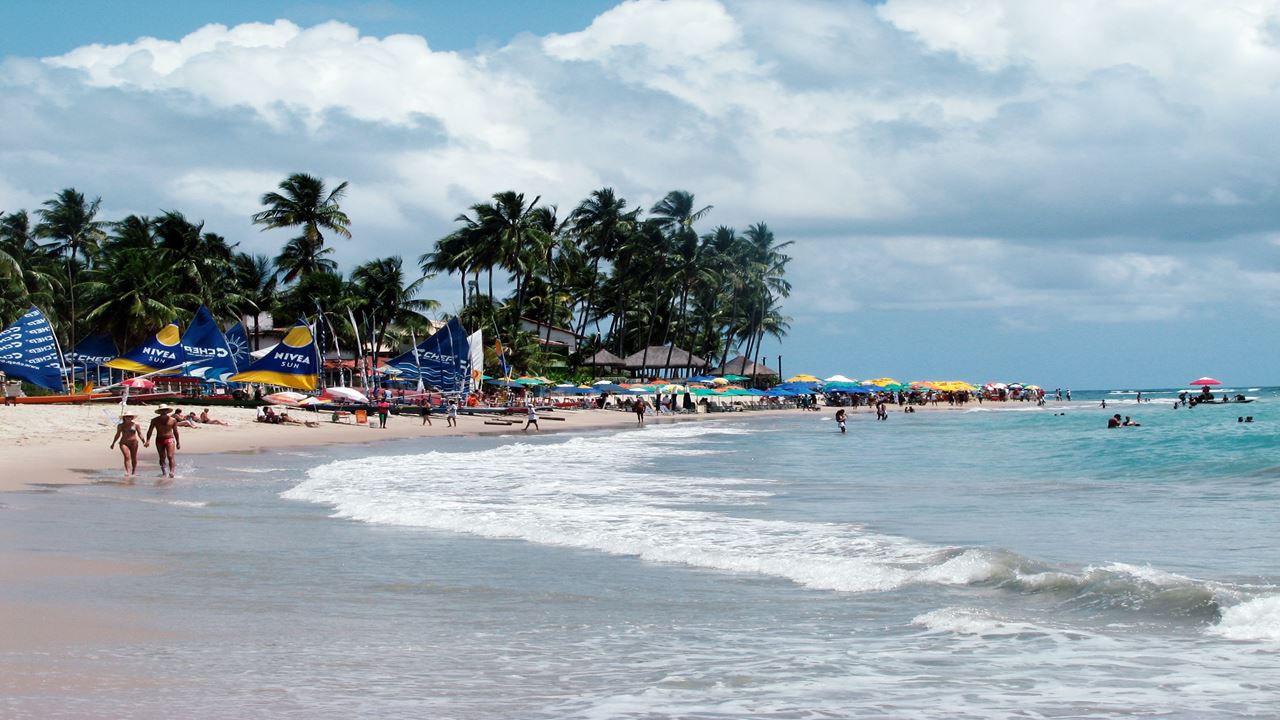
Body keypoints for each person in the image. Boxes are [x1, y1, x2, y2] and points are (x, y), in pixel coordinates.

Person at [145, 405, 180, 479]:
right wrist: (148, 440)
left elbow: (176, 431)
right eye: (162, 410)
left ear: (167, 411)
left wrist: (178, 442)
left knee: (170, 456)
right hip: (159, 440)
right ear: (159, 411)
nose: (163, 411)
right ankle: (164, 472)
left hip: (170, 439)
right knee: (162, 457)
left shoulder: (173, 420)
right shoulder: (154, 420)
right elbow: (150, 430)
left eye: (165, 410)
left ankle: (172, 472)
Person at [110, 411, 143, 477]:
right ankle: (128, 472)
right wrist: (113, 443)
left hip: (134, 442)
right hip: (124, 443)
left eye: (130, 416)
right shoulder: (120, 425)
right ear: (124, 418)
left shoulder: (136, 425)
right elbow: (118, 434)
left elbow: (140, 433)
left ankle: (134, 472)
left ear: (132, 417)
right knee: (127, 456)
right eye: (127, 416)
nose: (128, 418)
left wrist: (144, 441)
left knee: (134, 457)